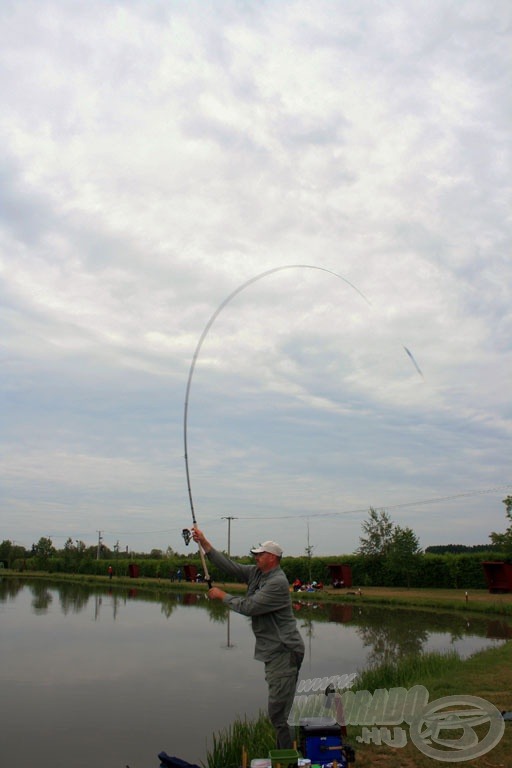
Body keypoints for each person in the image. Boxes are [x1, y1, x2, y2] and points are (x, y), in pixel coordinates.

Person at [191, 527, 304, 750]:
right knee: (279, 711)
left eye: (259, 554)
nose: (255, 557)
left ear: (271, 558)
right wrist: (204, 543)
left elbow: (250, 606)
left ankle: (291, 758)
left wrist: (222, 596)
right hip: (275, 652)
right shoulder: (257, 573)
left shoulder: (277, 583)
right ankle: (287, 755)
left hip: (284, 651)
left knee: (279, 712)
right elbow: (230, 566)